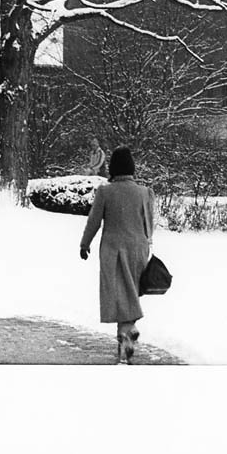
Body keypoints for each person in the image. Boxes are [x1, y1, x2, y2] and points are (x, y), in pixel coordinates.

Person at [79, 146, 155, 364]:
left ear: (113, 167)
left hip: (113, 250)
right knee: (130, 292)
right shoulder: (144, 192)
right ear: (132, 167)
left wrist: (85, 244)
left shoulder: (105, 192)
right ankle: (126, 337)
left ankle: (126, 331)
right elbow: (149, 222)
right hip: (138, 248)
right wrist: (146, 243)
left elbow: (94, 221)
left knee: (119, 295)